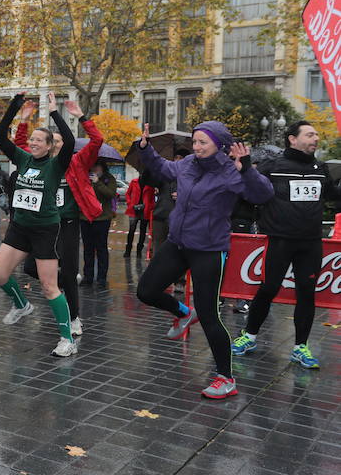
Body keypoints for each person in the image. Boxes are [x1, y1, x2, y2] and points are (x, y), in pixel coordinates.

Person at [135, 121, 273, 400]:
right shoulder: (187, 163)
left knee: (210, 315)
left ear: (219, 144)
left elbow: (263, 194)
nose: (196, 147)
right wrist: (146, 149)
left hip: (209, 250)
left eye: (203, 143)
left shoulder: (230, 171)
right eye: (195, 141)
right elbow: (163, 169)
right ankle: (184, 313)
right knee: (146, 291)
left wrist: (246, 168)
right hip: (178, 243)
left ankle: (226, 378)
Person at [232, 121, 340, 369]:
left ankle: (300, 347)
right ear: (292, 139)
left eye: (316, 135)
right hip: (280, 241)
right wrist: (245, 169)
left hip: (310, 242)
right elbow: (253, 191)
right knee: (268, 288)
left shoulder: (320, 168)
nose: (315, 138)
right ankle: (249, 337)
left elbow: (334, 197)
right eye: (310, 134)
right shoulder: (274, 166)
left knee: (306, 292)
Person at [0, 91, 77, 357]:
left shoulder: (56, 165)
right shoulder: (22, 159)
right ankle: (22, 305)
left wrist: (53, 111)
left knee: (49, 286)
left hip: (45, 230)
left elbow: (70, 139)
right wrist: (16, 109)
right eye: (32, 139)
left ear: (50, 146)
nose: (34, 143)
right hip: (20, 227)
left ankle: (67, 339)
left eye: (40, 140)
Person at [17, 99, 103, 338]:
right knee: (29, 266)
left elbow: (97, 141)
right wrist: (23, 120)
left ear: (66, 144)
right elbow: (19, 145)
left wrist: (81, 116)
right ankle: (61, 279)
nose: (54, 143)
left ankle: (74, 318)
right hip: (44, 223)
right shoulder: (40, 163)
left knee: (68, 274)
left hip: (66, 223)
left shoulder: (76, 162)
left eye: (58, 140)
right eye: (51, 140)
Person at [79, 160, 117, 288]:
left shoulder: (109, 179)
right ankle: (88, 276)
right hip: (86, 218)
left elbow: (111, 194)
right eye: (92, 166)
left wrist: (98, 182)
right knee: (87, 248)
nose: (94, 168)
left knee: (101, 248)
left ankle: (101, 277)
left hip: (102, 219)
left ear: (102, 167)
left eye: (97, 166)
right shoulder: (85, 176)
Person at [148, 148, 190, 256]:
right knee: (158, 249)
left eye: (180, 158)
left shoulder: (191, 177)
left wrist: (182, 195)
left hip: (179, 219)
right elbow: (150, 180)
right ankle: (158, 272)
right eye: (176, 157)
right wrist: (150, 164)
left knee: (176, 252)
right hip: (161, 216)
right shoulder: (165, 174)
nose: (177, 160)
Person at [124, 177, 148, 257]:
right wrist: (129, 203)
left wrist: (148, 206)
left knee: (143, 231)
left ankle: (139, 251)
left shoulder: (150, 184)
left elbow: (151, 198)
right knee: (131, 230)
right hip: (133, 209)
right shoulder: (134, 181)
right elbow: (127, 194)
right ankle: (128, 250)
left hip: (144, 210)